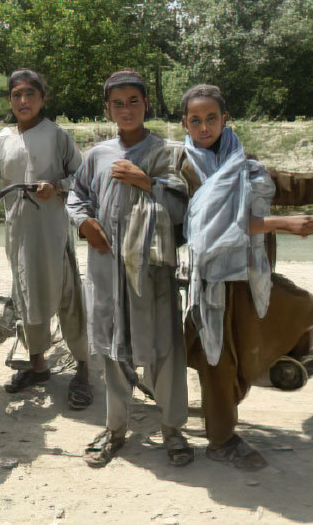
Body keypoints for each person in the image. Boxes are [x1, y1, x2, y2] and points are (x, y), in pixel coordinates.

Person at [176, 83, 313, 470]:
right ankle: (221, 440)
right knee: (219, 358)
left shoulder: (243, 160)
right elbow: (215, 228)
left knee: (300, 304)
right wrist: (283, 224)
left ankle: (291, 361)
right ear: (185, 124)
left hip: (252, 272)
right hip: (215, 280)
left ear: (225, 120)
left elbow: (281, 184)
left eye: (211, 118)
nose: (204, 127)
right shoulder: (188, 169)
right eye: (196, 120)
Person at [66, 70, 193, 468]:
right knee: (111, 348)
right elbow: (77, 196)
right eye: (117, 104)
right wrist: (84, 223)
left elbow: (183, 208)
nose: (126, 110)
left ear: (146, 104)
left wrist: (147, 183)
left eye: (133, 102)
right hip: (106, 267)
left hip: (152, 270)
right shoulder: (97, 155)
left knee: (165, 348)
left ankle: (172, 429)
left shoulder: (168, 152)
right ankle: (115, 428)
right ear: (107, 109)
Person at [0, 69, 92, 409]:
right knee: (27, 295)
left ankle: (84, 370)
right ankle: (38, 366)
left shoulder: (56, 135)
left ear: (42, 99)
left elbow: (83, 177)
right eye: (17, 95)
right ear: (10, 100)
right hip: (18, 233)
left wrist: (57, 187)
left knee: (68, 296)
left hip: (54, 232)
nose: (23, 101)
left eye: (30, 94)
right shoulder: (1, 140)